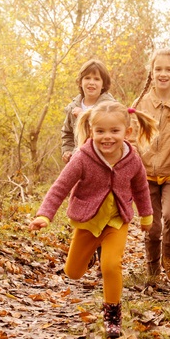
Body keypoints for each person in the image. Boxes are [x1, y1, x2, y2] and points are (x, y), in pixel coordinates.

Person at [29, 101, 158, 338]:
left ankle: (112, 316)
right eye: (100, 131)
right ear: (91, 131)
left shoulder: (132, 159)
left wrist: (146, 215)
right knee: (73, 272)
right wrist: (44, 215)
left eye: (114, 131)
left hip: (116, 220)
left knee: (111, 265)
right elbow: (60, 187)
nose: (107, 137)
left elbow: (140, 188)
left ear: (127, 132)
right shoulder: (82, 158)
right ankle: (87, 257)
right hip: (88, 222)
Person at [131, 49, 170, 286]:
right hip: (145, 173)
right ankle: (152, 268)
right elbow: (131, 137)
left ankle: (168, 257)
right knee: (153, 224)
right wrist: (134, 160)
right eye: (158, 69)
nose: (163, 73)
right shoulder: (139, 104)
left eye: (169, 69)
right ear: (151, 72)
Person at [61, 59, 116, 271]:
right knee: (82, 207)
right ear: (81, 82)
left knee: (102, 208)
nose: (91, 83)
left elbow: (114, 128)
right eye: (87, 78)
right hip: (79, 164)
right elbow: (66, 133)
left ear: (103, 84)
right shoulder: (73, 108)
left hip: (103, 165)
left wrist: (87, 116)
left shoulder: (109, 106)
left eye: (96, 79)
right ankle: (88, 250)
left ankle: (104, 257)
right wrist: (67, 150)